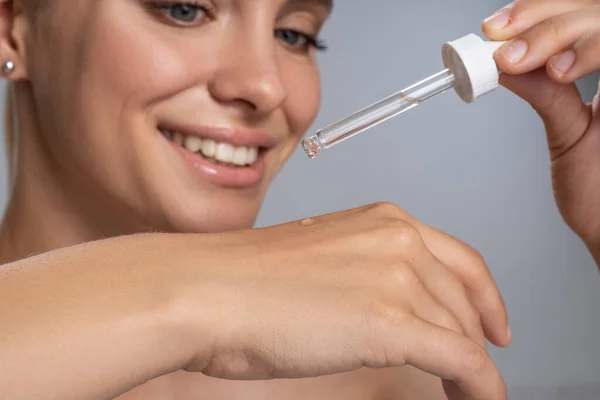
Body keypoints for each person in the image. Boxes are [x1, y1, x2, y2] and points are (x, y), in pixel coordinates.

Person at [0, 0, 598, 398]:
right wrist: (206, 291)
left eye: (293, 34)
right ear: (12, 26)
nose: (265, 85)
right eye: (184, 8)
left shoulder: (370, 376)